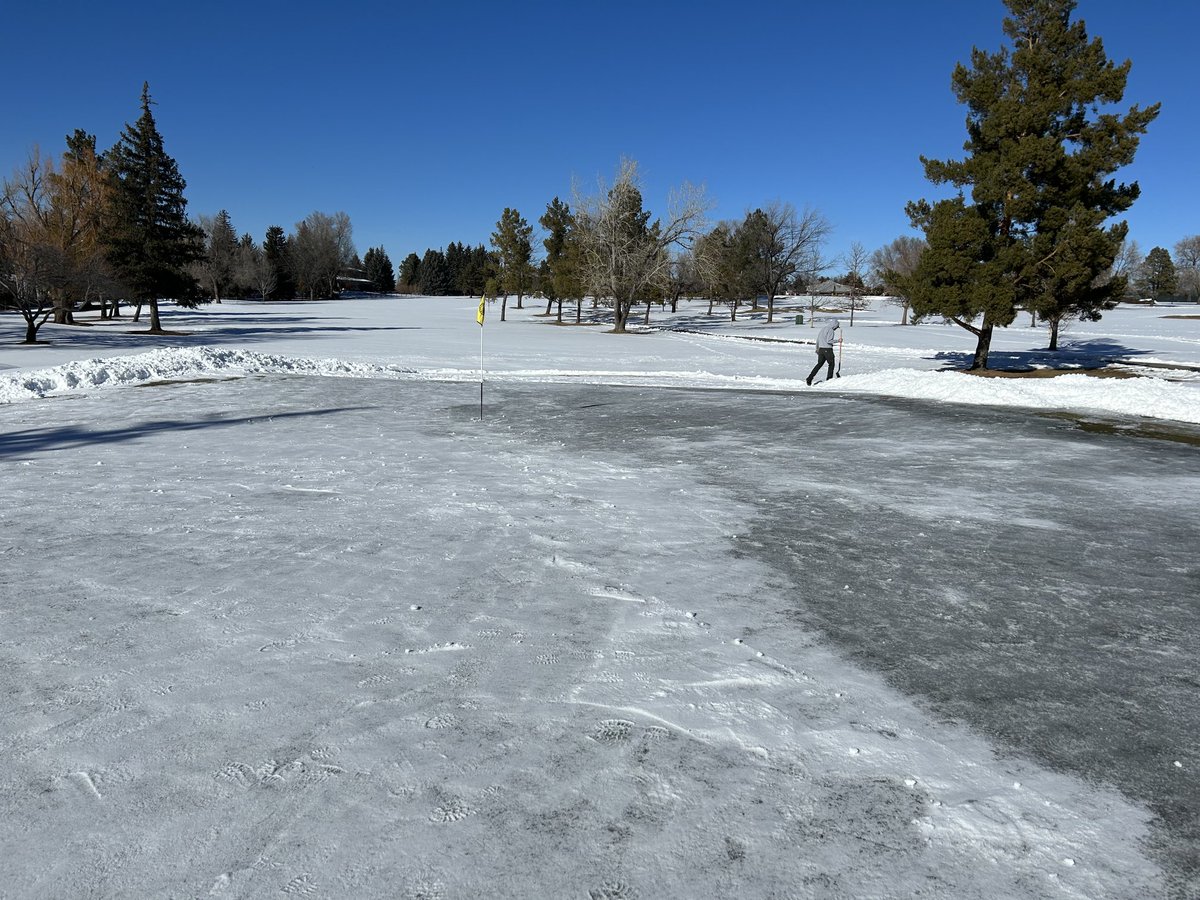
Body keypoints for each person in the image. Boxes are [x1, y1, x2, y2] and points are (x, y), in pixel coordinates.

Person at [807, 318, 841, 385]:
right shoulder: (831, 330)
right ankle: (829, 380)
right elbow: (829, 341)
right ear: (835, 325)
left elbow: (818, 339)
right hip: (827, 349)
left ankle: (809, 378)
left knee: (819, 364)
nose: (836, 328)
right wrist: (838, 341)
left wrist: (817, 349)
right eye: (836, 327)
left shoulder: (823, 329)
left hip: (821, 349)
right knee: (831, 364)